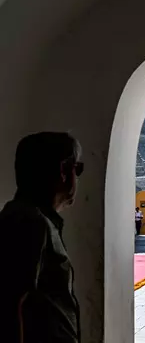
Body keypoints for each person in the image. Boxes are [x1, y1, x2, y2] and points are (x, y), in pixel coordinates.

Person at [0, 132, 82, 343]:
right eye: (77, 169)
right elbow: (11, 302)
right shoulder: (28, 222)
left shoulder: (34, 219)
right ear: (63, 171)